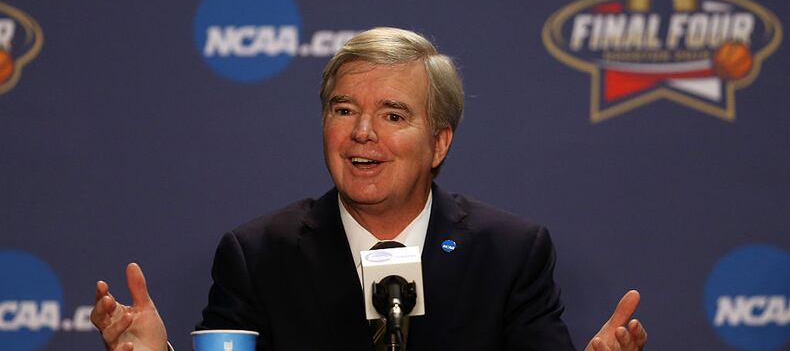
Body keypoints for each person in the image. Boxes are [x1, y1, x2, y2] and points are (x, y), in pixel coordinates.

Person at [91, 27, 647, 351]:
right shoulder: (258, 254)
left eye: (393, 114)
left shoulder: (510, 252)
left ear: (439, 143)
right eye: (345, 110)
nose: (362, 132)